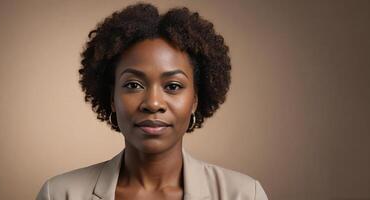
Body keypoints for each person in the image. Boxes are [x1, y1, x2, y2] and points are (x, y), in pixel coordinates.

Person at [36, 3, 268, 200]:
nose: (153, 103)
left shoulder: (244, 195)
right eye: (133, 85)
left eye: (173, 86)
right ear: (112, 98)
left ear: (195, 99)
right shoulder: (60, 194)